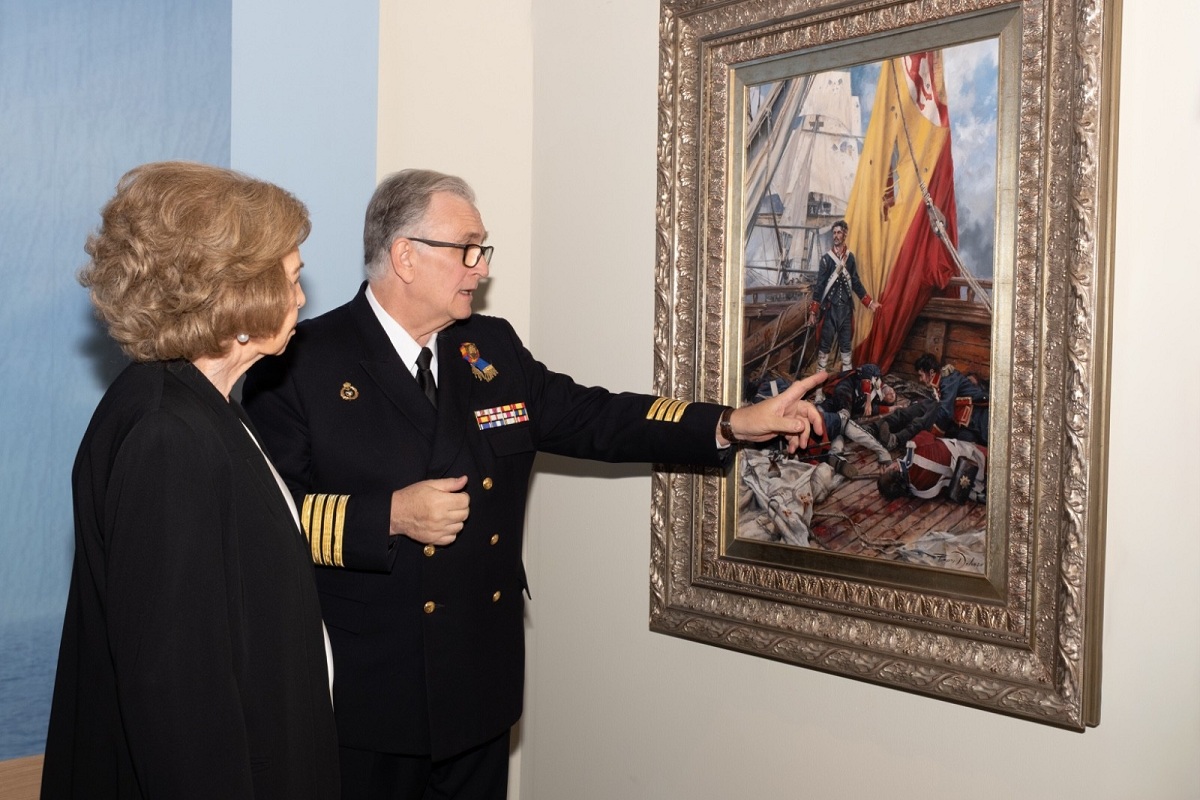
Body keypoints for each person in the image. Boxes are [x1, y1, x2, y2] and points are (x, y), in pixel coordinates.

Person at [241, 168, 826, 800]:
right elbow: (266, 523)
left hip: (479, 684)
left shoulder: (488, 347)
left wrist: (732, 422)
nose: (482, 267)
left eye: (482, 249)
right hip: (370, 696)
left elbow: (597, 417)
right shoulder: (299, 362)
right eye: (468, 249)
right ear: (405, 256)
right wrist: (390, 515)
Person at [41, 162, 339, 799]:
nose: (300, 300)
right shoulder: (168, 435)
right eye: (291, 279)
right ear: (236, 294)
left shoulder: (197, 403)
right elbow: (176, 696)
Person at [808, 219, 879, 373]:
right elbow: (820, 286)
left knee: (846, 348)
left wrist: (869, 302)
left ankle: (846, 381)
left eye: (839, 232)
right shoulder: (826, 260)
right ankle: (819, 384)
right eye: (834, 233)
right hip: (830, 310)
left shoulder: (850, 258)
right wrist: (813, 312)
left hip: (846, 310)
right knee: (825, 347)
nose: (836, 236)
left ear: (845, 234)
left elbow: (855, 282)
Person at [877, 352, 989, 449]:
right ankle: (881, 428)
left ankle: (896, 440)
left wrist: (930, 430)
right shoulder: (940, 382)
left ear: (931, 372)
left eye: (921, 375)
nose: (920, 379)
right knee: (924, 407)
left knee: (931, 412)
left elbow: (945, 412)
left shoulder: (948, 380)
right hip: (963, 424)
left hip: (977, 425)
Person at [876, 429, 988, 503]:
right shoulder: (917, 449)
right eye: (888, 467)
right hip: (978, 458)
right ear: (895, 468)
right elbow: (928, 434)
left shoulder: (918, 490)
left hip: (972, 479)